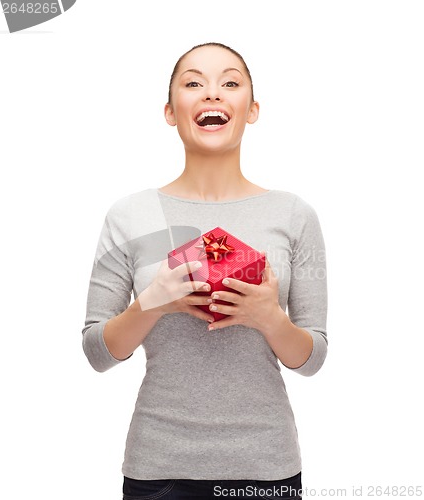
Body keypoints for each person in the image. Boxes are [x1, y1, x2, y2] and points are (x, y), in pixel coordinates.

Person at [82, 42, 328, 500]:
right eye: (193, 83)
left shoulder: (293, 215)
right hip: (158, 466)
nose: (212, 94)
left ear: (251, 110)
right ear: (171, 111)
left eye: (230, 83)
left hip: (266, 467)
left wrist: (268, 317)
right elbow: (96, 352)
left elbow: (313, 359)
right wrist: (154, 301)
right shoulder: (129, 215)